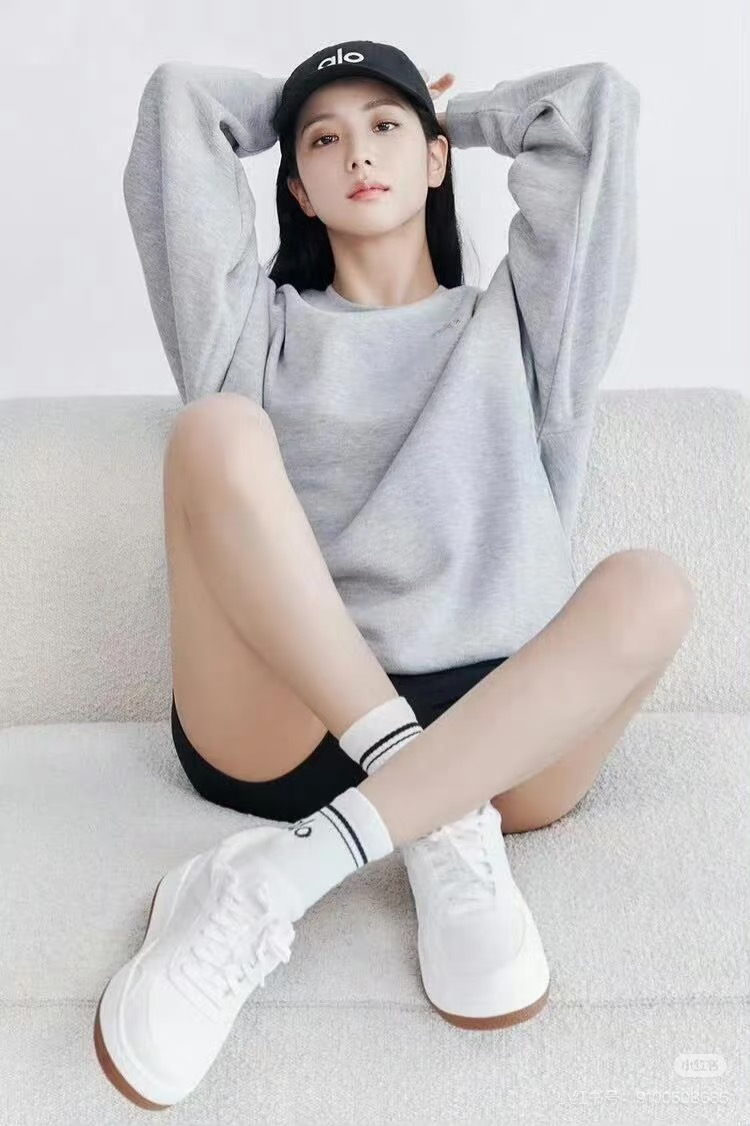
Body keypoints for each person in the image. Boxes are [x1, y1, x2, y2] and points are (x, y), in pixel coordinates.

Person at [96, 39, 658, 1111]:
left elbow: (594, 111)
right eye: (324, 140)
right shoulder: (252, 329)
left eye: (386, 127)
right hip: (287, 723)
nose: (358, 153)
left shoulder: (526, 328)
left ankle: (296, 867)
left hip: (494, 740)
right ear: (296, 190)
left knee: (652, 587)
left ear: (436, 158)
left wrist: (455, 114)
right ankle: (422, 801)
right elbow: (177, 105)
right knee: (215, 430)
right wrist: (308, 97)